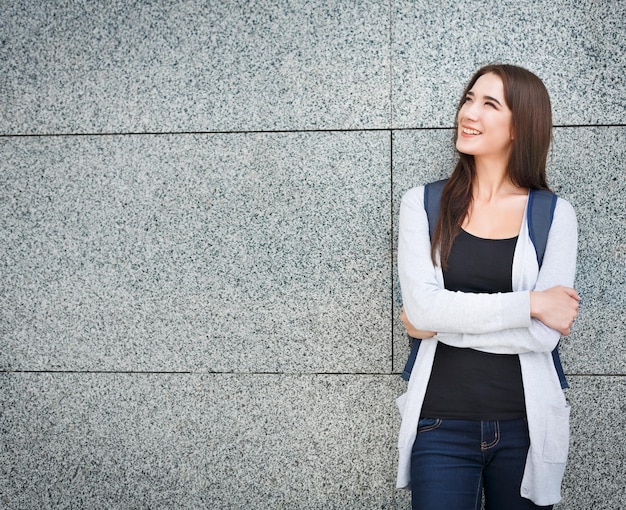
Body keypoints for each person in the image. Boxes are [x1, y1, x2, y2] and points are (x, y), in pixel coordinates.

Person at [395, 64, 580, 510]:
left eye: (489, 104)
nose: (469, 112)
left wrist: (443, 322)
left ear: (521, 126)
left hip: (525, 427)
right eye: (469, 98)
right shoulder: (422, 204)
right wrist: (532, 303)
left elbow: (544, 335)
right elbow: (423, 309)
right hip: (440, 425)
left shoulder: (555, 215)